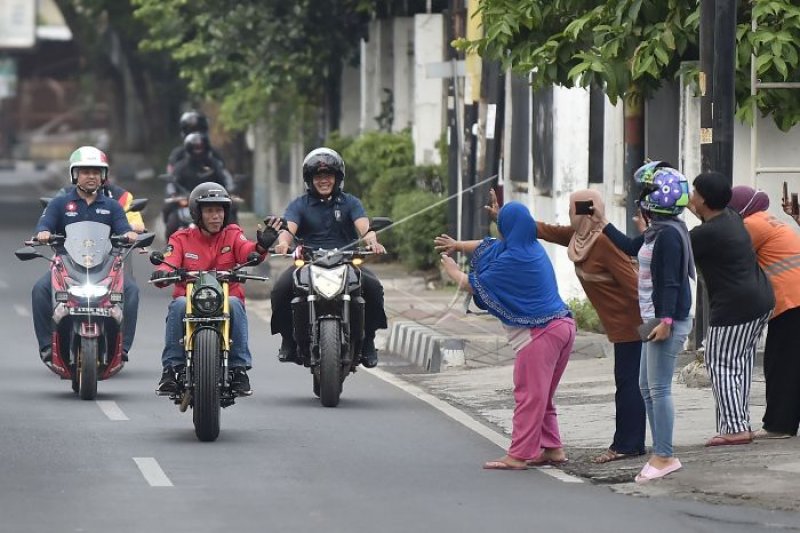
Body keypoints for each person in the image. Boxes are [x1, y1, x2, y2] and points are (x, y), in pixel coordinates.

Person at [439, 201, 576, 470]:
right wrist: (457, 244)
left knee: (529, 395)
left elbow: (473, 284)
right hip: (562, 327)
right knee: (543, 394)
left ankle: (518, 455)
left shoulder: (512, 260)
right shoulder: (530, 248)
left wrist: (453, 270)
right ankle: (552, 448)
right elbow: (485, 244)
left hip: (540, 332)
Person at [602, 163, 695, 483]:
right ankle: (661, 452)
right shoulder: (660, 231)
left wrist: (666, 321)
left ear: (659, 198)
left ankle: (664, 455)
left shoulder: (668, 235)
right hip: (653, 318)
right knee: (645, 387)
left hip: (664, 319)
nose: (639, 200)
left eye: (644, 193)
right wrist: (602, 224)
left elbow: (670, 282)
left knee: (659, 388)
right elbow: (631, 248)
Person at [150, 182, 280, 395]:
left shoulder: (233, 234)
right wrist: (163, 272)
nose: (215, 216)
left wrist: (262, 246)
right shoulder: (181, 238)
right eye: (209, 211)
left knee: (235, 304)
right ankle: (171, 368)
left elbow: (248, 252)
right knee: (178, 305)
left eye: (219, 210)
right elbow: (169, 259)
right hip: (190, 298)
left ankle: (239, 369)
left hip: (226, 298)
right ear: (197, 213)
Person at [266, 147, 387, 368]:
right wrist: (283, 243)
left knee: (374, 288)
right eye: (318, 176)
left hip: (347, 262)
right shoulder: (299, 205)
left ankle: (368, 340)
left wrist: (372, 241)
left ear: (337, 177)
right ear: (310, 179)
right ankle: (288, 340)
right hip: (309, 263)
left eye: (328, 175)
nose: (323, 180)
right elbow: (288, 228)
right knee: (280, 289)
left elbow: (365, 227)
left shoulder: (351, 203)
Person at [685, 174, 774, 448]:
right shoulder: (732, 218)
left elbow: (673, 248)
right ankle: (737, 422)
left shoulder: (705, 234)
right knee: (740, 364)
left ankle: (735, 428)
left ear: (703, 199)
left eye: (694, 193)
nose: (690, 197)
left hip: (736, 307)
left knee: (720, 363)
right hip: (760, 300)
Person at [32, 146, 139, 363]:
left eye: (96, 172)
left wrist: (129, 234)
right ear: (75, 175)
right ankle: (46, 346)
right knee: (39, 290)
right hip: (66, 264)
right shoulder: (60, 203)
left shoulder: (112, 206)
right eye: (85, 171)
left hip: (104, 266)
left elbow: (122, 226)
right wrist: (43, 233)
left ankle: (123, 348)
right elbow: (44, 223)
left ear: (103, 176)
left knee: (132, 290)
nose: (91, 176)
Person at [728, 186, 800, 439]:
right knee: (787, 363)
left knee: (781, 366)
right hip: (793, 300)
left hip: (790, 302)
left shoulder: (750, 226)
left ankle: (779, 425)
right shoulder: (767, 219)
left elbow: (728, 255)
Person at [164, 132, 235, 238]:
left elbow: (226, 179)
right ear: (188, 148)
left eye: (201, 147)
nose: (198, 150)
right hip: (187, 202)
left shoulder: (215, 164)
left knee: (232, 218)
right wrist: (173, 194)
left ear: (206, 147)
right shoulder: (180, 166)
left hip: (214, 201)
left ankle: (235, 243)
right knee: (171, 219)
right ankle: (170, 249)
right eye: (195, 147)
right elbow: (172, 182)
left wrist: (230, 190)